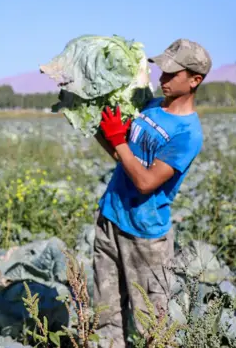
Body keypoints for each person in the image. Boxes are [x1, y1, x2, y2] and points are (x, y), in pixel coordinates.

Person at [92, 39, 211, 347]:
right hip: (110, 217)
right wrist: (102, 131)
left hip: (145, 236)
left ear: (195, 80)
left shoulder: (187, 134)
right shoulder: (152, 106)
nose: (163, 79)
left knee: (151, 326)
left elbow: (145, 182)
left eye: (173, 74)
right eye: (162, 71)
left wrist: (118, 141)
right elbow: (123, 158)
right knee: (105, 316)